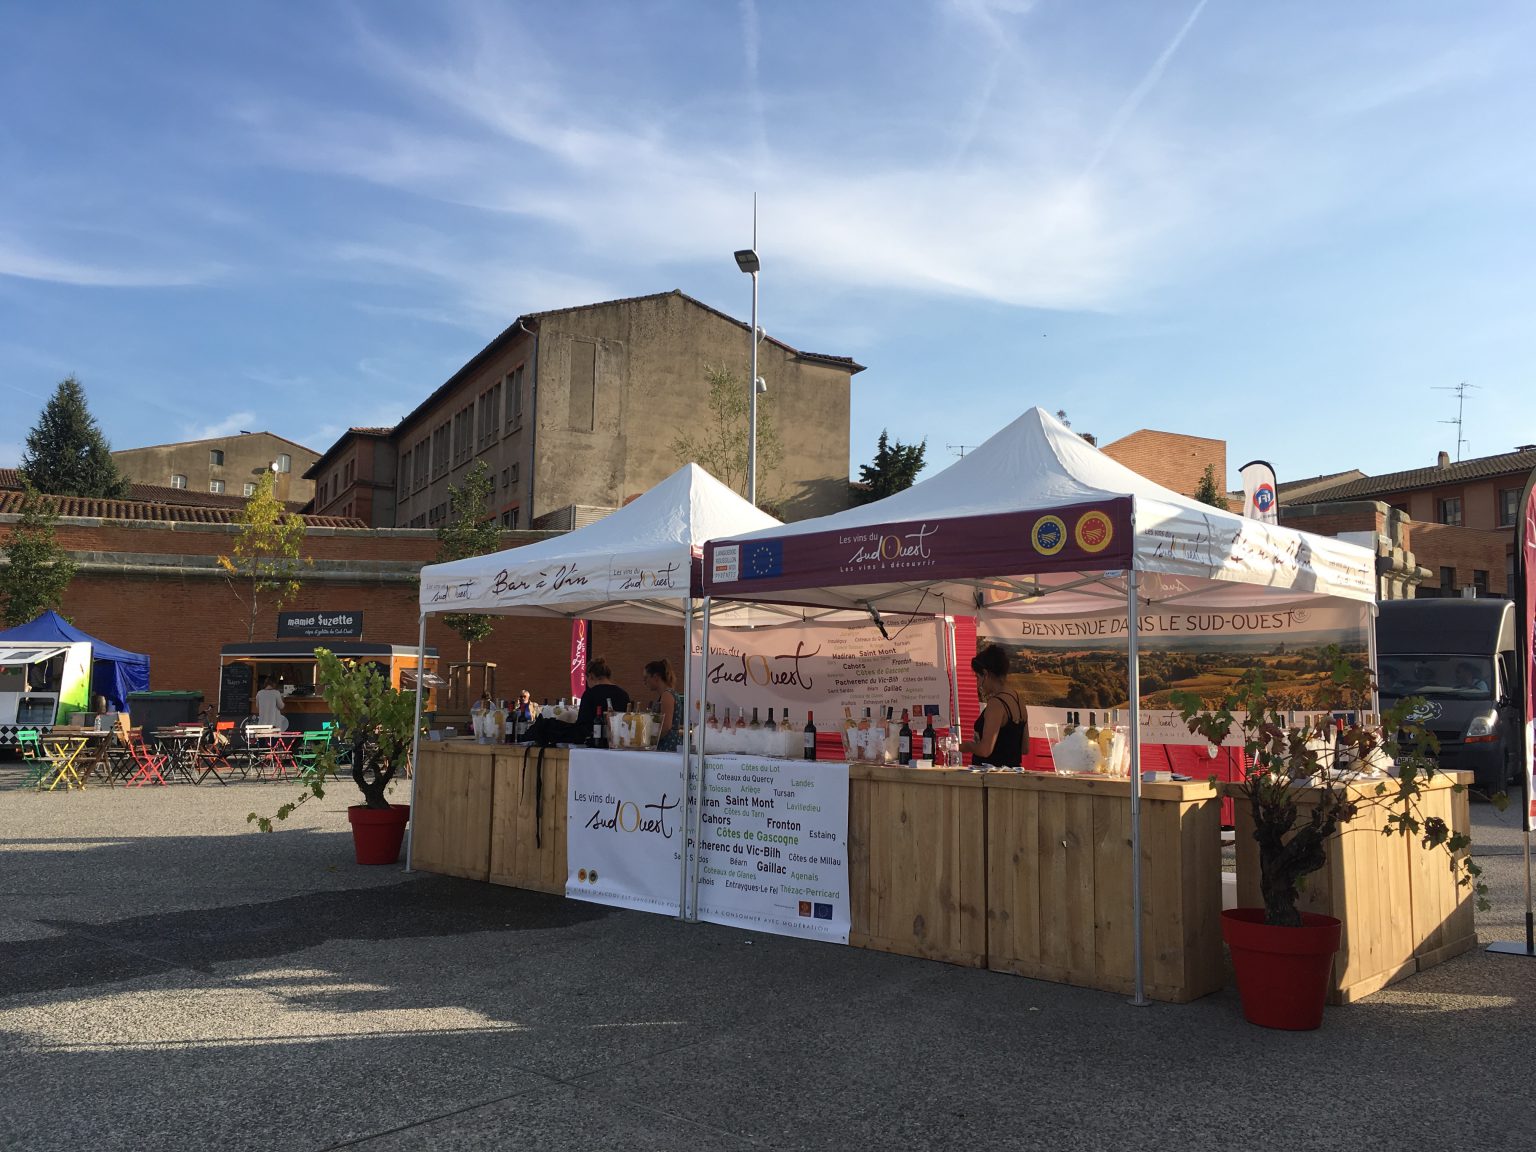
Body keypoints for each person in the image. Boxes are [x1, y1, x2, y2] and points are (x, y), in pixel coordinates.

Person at [958, 644, 1026, 768]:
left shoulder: (996, 704)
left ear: (985, 674)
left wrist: (966, 746)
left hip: (992, 779)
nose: (978, 684)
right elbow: (1024, 748)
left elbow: (985, 750)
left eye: (977, 677)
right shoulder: (1018, 699)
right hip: (1013, 775)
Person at [575, 657, 630, 736]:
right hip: (618, 741)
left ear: (590, 676)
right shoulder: (623, 694)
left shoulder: (589, 694)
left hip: (595, 742)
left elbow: (582, 725)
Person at [643, 659, 683, 752]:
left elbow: (666, 726)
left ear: (656, 677)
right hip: (669, 745)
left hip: (668, 747)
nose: (644, 682)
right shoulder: (668, 694)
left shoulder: (667, 695)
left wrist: (648, 741)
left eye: (646, 678)